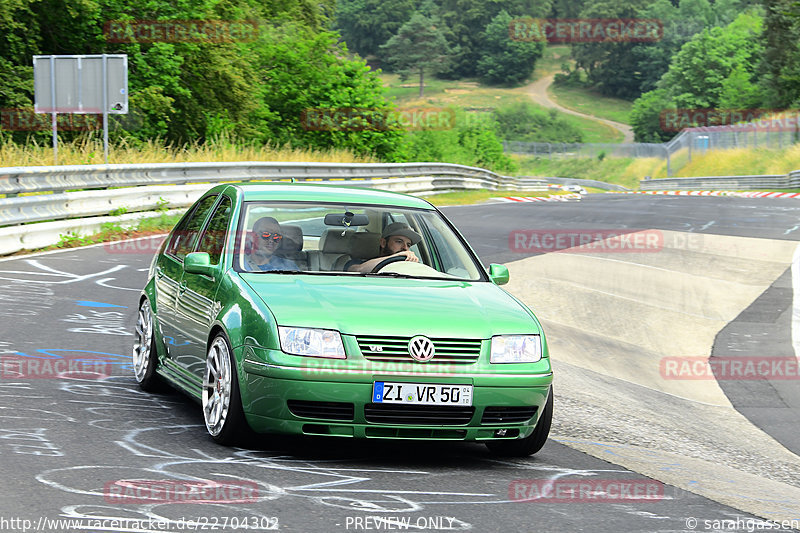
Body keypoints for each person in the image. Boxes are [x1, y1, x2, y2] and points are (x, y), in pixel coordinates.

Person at [346, 222, 421, 273]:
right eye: (399, 241)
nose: (405, 248)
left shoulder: (411, 266)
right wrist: (396, 256)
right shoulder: (359, 263)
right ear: (383, 243)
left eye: (408, 245)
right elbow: (356, 270)